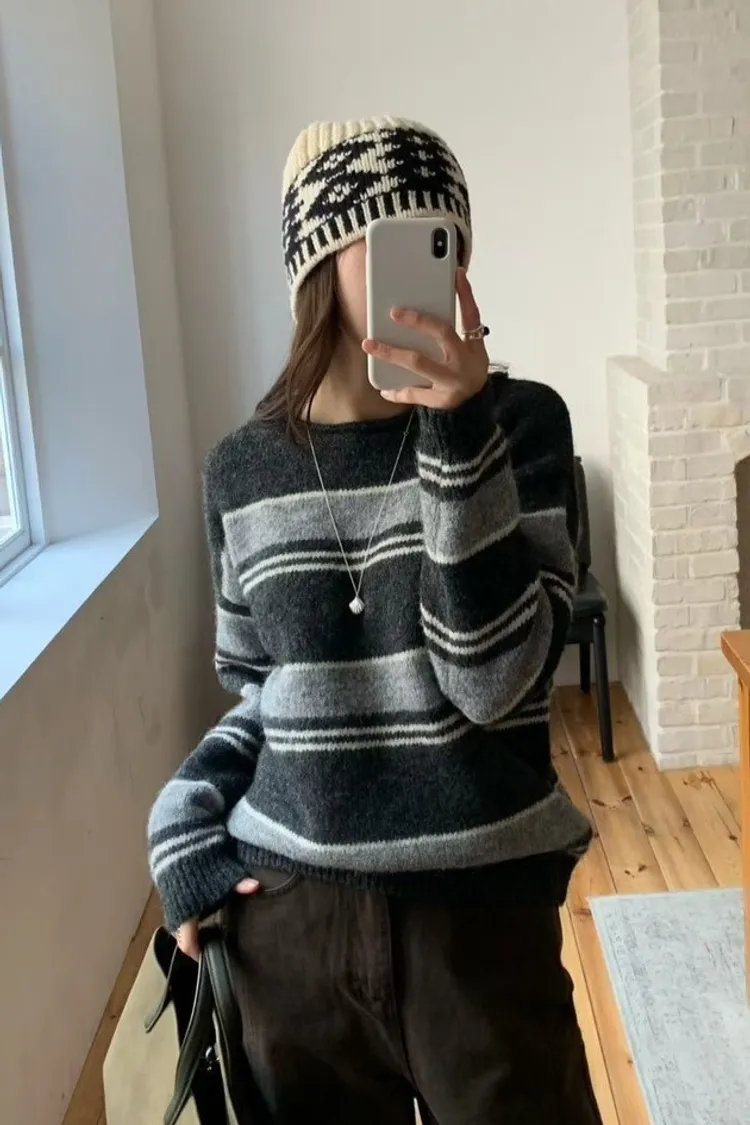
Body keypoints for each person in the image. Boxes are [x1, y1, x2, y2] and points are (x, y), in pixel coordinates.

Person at [148, 117, 601, 1124]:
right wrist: (180, 823)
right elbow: (264, 695)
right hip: (291, 926)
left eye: (449, 243)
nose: (433, 272)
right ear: (317, 264)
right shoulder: (241, 470)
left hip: (478, 920)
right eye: (396, 239)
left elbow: (495, 680)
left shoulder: (522, 425)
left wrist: (458, 430)